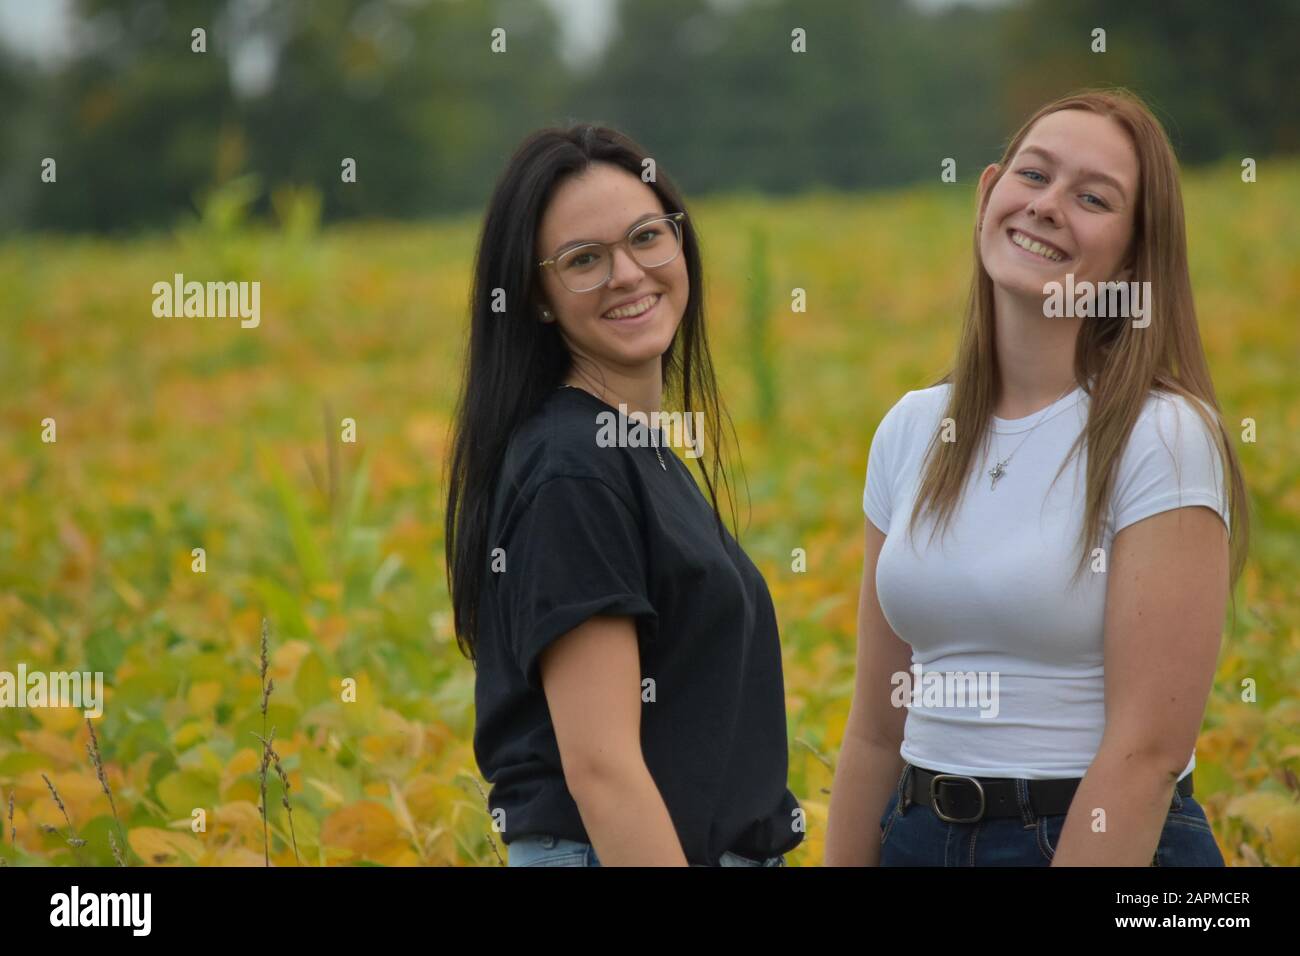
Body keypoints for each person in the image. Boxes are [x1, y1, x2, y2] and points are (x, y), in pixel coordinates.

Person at [824, 89, 1248, 867]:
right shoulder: (913, 429)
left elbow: (1148, 755)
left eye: (1092, 197)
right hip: (916, 834)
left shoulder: (1165, 437)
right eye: (1034, 175)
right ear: (988, 193)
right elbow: (877, 725)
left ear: (1133, 253)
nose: (1048, 206)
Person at [445, 124, 803, 867]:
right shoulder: (573, 470)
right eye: (583, 260)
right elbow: (602, 772)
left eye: (646, 236)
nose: (628, 274)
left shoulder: (626, 449)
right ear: (538, 298)